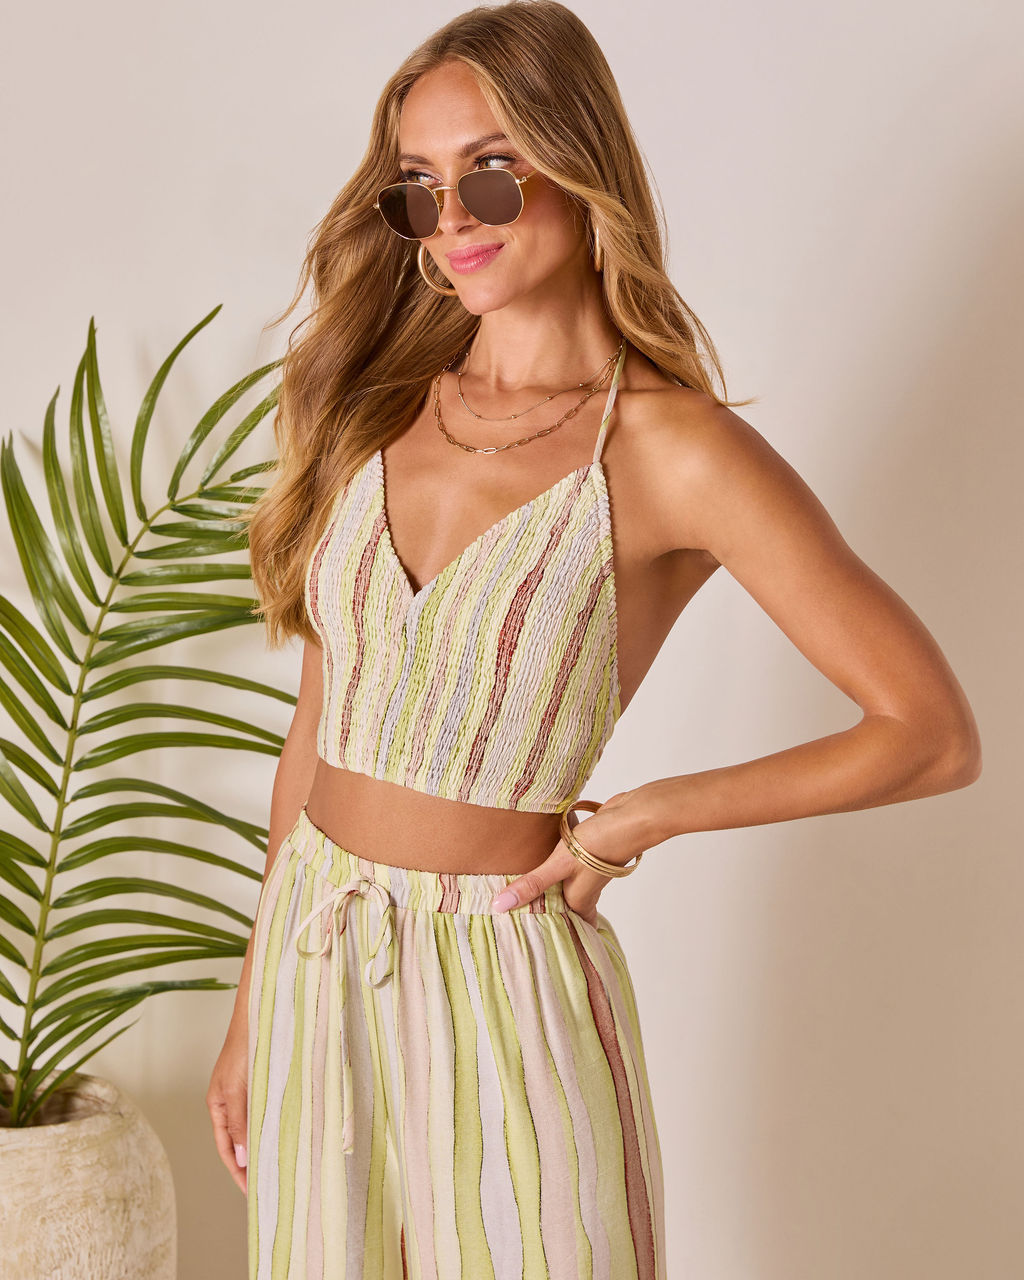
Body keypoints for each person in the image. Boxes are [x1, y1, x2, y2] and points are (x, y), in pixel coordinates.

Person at [205, 3, 982, 1277]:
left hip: (507, 971)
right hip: (315, 953)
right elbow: (316, 725)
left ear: (578, 163)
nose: (452, 219)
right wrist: (250, 1010)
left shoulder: (674, 451)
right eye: (417, 188)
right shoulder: (370, 405)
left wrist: (645, 815)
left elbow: (929, 731)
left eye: (489, 172)